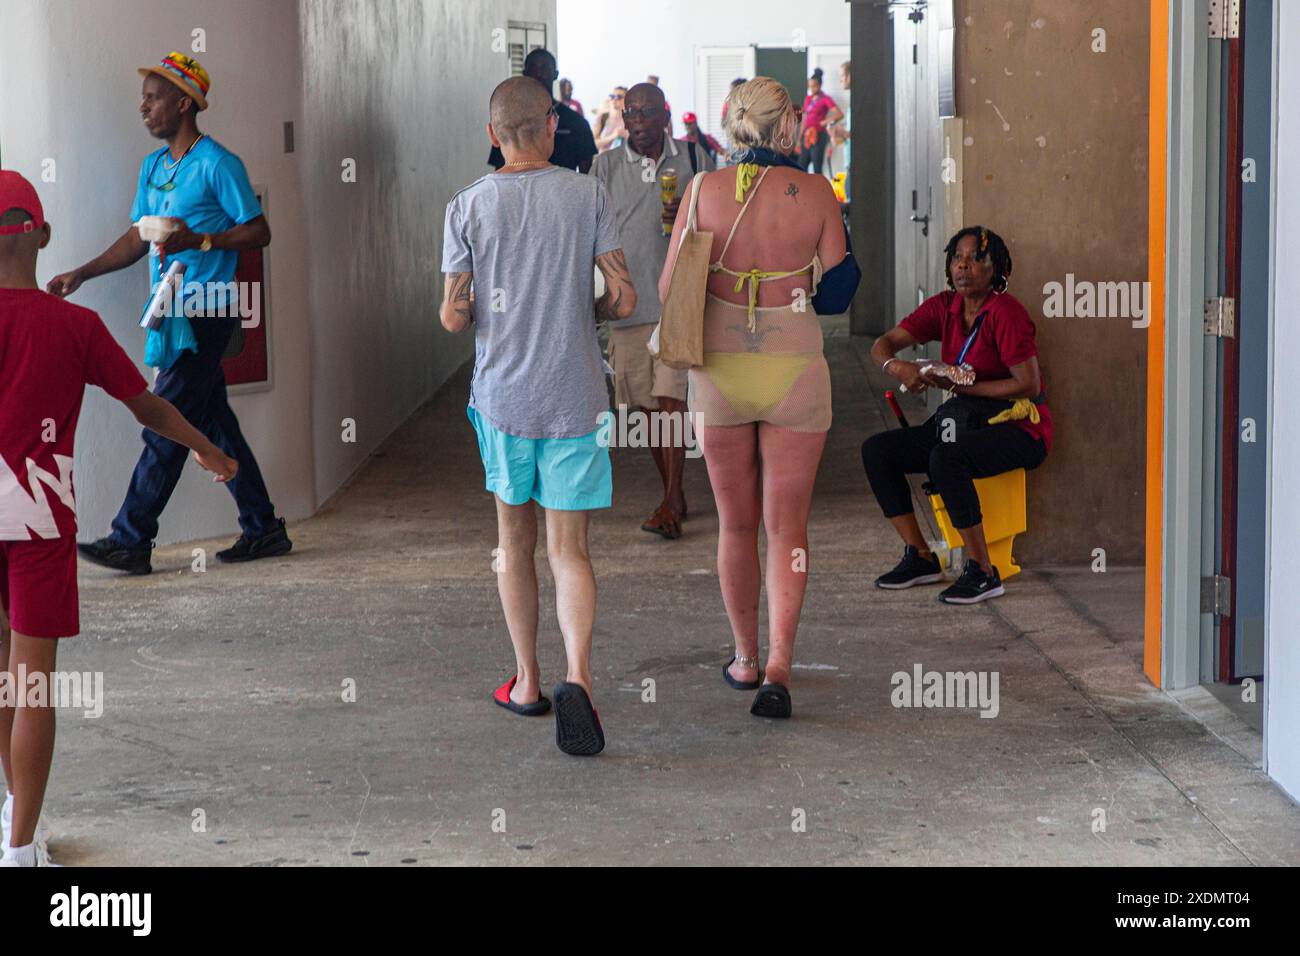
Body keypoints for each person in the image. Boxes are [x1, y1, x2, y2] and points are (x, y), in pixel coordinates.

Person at [0, 171, 237, 867]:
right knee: (33, 681)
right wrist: (208, 449)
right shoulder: (75, 325)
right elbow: (147, 406)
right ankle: (19, 851)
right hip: (41, 518)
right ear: (42, 236)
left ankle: (13, 813)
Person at [441, 76, 636, 756]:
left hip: (502, 399)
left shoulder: (466, 206)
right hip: (574, 395)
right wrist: (601, 304)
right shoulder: (588, 194)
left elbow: (452, 313)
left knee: (512, 544)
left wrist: (465, 309)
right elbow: (622, 295)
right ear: (551, 126)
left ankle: (528, 681)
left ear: (493, 135)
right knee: (569, 549)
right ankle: (577, 675)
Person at [48, 52, 289, 576]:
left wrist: (200, 239)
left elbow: (259, 231)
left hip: (206, 312)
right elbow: (139, 237)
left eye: (153, 99)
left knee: (166, 424)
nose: (143, 108)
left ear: (185, 103)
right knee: (212, 420)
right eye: (145, 99)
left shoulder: (219, 163)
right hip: (169, 308)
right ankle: (263, 527)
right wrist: (82, 273)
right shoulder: (153, 167)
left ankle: (131, 539)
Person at [659, 78, 847, 719]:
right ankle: (779, 666)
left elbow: (668, 286)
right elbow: (840, 291)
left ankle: (742, 657)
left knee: (736, 525)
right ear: (787, 124)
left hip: (720, 373)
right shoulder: (816, 192)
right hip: (794, 368)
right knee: (787, 528)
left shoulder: (703, 190)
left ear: (733, 123)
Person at [861, 226, 1053, 604]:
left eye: (976, 259)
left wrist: (958, 386)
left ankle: (983, 571)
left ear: (996, 269)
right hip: (963, 420)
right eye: (957, 258)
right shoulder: (943, 307)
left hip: (1019, 428)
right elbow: (883, 344)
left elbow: (1028, 385)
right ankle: (920, 557)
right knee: (878, 451)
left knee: (946, 457)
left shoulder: (1006, 313)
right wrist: (895, 367)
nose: (964, 266)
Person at [592, 83, 715, 540]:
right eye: (631, 111)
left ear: (666, 115)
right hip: (628, 305)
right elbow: (590, 234)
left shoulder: (695, 160)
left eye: (648, 111)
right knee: (645, 408)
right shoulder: (603, 166)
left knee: (671, 402)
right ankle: (673, 492)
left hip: (679, 303)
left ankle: (670, 501)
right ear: (624, 117)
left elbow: (717, 221)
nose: (639, 119)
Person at [488, 50, 597, 174]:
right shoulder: (509, 119)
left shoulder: (576, 122)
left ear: (555, 74)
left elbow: (586, 171)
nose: (539, 73)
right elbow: (500, 171)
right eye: (533, 68)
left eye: (545, 67)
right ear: (525, 74)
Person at [799, 68, 843, 176]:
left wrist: (826, 121)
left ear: (819, 85)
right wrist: (799, 138)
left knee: (817, 167)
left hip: (819, 135)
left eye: (813, 86)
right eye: (809, 86)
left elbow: (839, 114)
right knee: (801, 166)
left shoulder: (825, 99)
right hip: (807, 135)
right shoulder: (808, 99)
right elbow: (805, 119)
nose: (811, 89)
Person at [594, 87, 628, 152]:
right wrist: (612, 136)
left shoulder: (632, 120)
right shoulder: (602, 117)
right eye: (612, 96)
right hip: (604, 160)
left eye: (619, 97)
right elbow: (593, 144)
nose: (614, 99)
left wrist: (627, 136)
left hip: (625, 161)